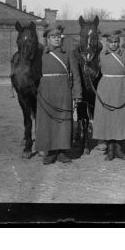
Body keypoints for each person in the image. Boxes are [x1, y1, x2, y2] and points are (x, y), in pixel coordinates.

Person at [36, 25, 82, 165]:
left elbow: (75, 74)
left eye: (58, 37)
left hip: (64, 91)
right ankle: (50, 152)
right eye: (53, 37)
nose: (56, 39)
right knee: (47, 121)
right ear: (48, 39)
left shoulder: (68, 53)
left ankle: (62, 152)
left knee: (63, 121)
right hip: (46, 91)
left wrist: (77, 94)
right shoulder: (41, 54)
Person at [93, 30, 125, 160]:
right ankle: (110, 149)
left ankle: (119, 149)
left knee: (120, 120)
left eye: (116, 42)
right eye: (111, 42)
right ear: (107, 43)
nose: (113, 45)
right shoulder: (102, 54)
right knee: (108, 120)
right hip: (105, 88)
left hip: (121, 89)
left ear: (119, 42)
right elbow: (95, 72)